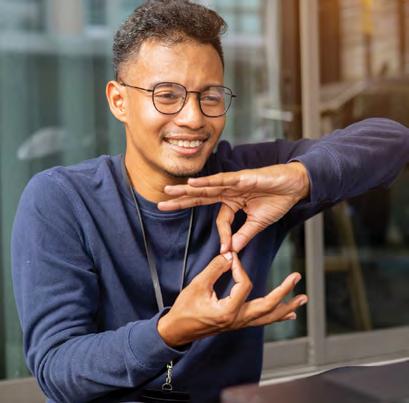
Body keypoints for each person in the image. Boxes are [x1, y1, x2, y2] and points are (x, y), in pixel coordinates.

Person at [11, 1, 409, 402]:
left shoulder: (248, 181)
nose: (193, 118)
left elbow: (391, 140)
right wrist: (169, 332)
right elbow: (57, 368)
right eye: (167, 95)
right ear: (119, 101)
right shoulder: (62, 199)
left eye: (211, 96)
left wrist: (297, 178)